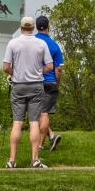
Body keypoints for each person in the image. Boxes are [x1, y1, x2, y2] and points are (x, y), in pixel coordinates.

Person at [2, 16, 53, 169]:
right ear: (33, 28)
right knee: (34, 123)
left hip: (18, 85)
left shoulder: (13, 43)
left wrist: (14, 73)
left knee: (17, 123)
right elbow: (50, 66)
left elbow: (5, 67)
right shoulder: (41, 43)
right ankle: (35, 159)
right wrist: (39, 71)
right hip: (36, 85)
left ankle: (12, 160)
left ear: (21, 27)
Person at [34, 15, 64, 152]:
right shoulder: (54, 45)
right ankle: (51, 136)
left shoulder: (32, 42)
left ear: (36, 27)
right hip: (50, 82)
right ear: (48, 27)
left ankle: (40, 146)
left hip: (34, 81)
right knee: (43, 114)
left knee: (40, 114)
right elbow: (58, 68)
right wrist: (57, 84)